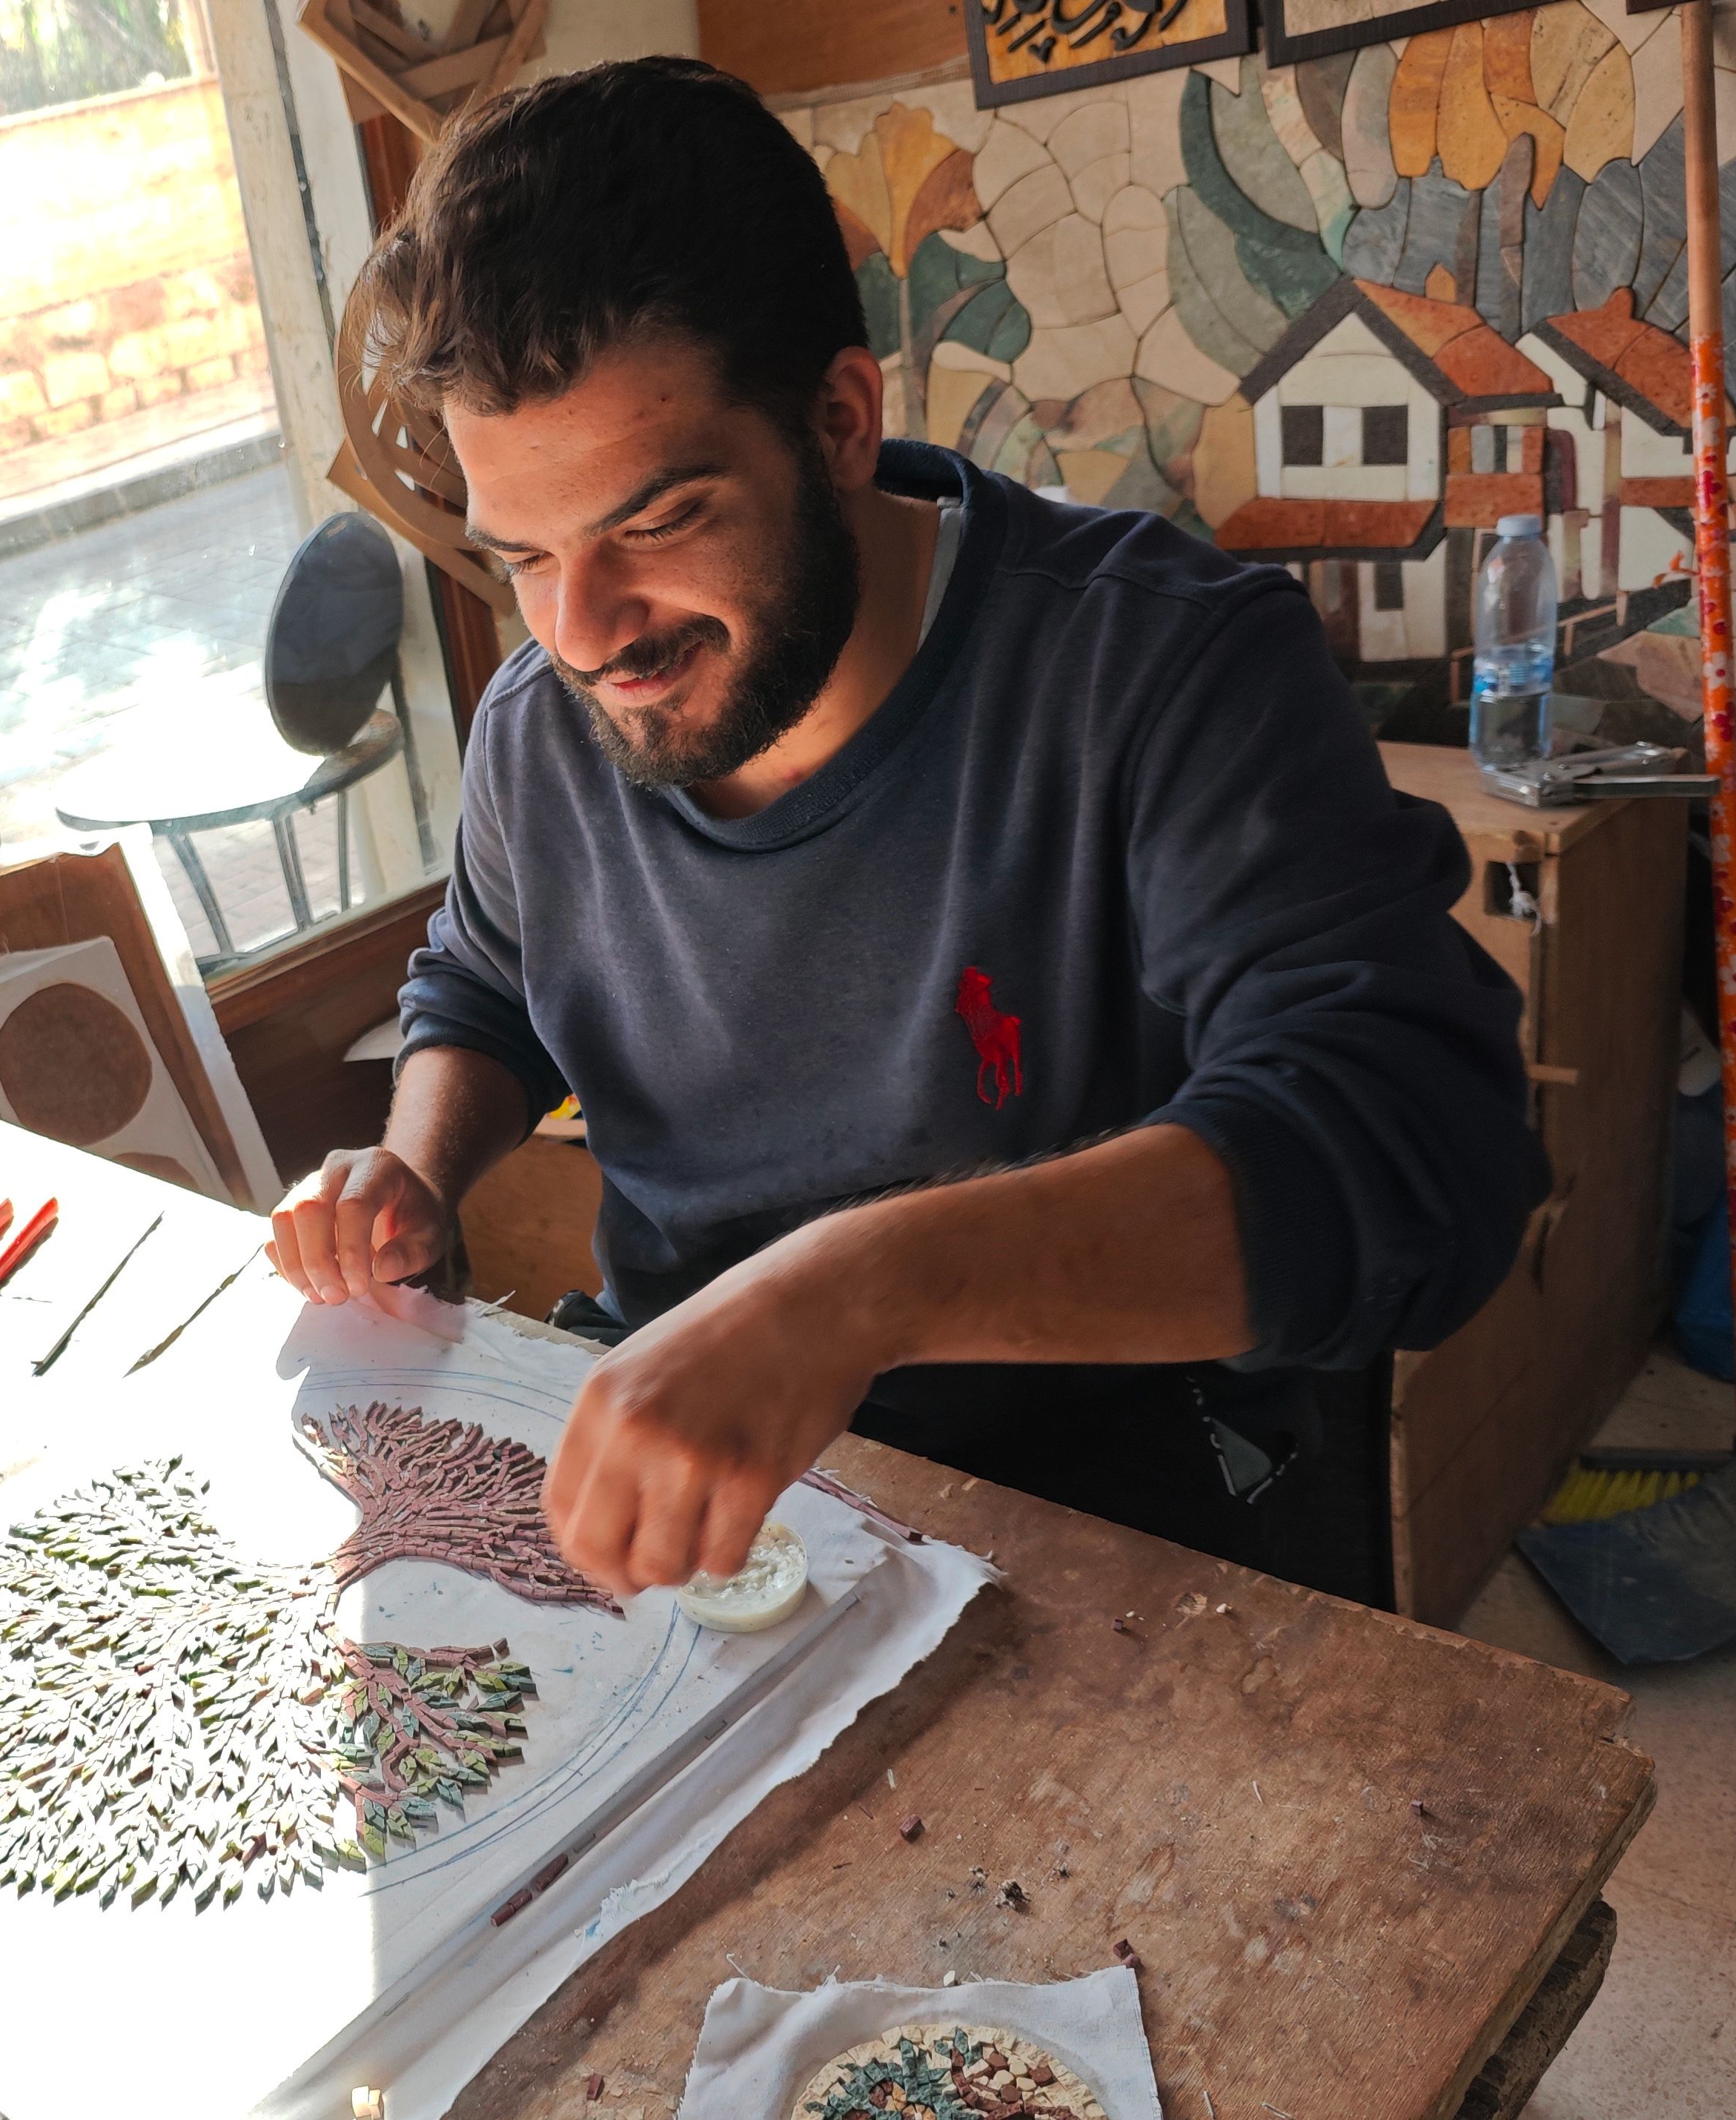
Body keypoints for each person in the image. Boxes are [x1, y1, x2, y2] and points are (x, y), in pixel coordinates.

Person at [263, 57, 1545, 1609]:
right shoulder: (544, 724)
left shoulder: (1164, 668)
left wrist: (851, 1291)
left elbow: (1420, 1151)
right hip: (698, 1481)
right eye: (522, 555)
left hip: (1111, 1512)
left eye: (653, 522)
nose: (583, 632)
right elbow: (484, 984)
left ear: (838, 422)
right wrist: (413, 1166)